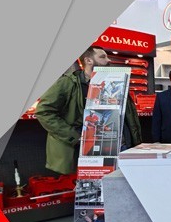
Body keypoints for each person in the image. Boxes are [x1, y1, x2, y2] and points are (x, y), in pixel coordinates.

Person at [36, 46, 142, 174]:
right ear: (88, 60)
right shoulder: (68, 83)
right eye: (102, 57)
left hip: (120, 145)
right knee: (92, 183)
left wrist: (134, 142)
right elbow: (43, 111)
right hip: (85, 149)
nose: (108, 60)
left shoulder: (115, 82)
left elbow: (128, 115)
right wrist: (74, 136)